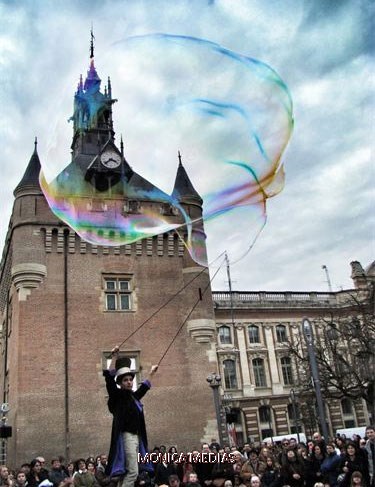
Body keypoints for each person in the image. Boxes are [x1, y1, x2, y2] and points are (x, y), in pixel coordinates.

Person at [104, 346, 158, 487]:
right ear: (121, 383)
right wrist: (114, 356)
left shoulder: (133, 397)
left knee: (128, 472)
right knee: (133, 472)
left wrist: (152, 373)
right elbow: (109, 378)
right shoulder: (117, 396)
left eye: (130, 379)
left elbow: (144, 387)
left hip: (136, 437)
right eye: (125, 380)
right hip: (126, 436)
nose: (129, 382)